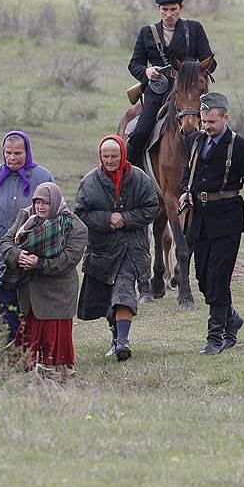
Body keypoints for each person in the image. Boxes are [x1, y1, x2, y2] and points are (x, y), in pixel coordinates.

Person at [178, 92, 244, 355]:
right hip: (200, 220)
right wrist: (186, 190)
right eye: (203, 121)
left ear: (225, 118)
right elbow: (188, 171)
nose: (206, 126)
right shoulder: (194, 140)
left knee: (218, 279)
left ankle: (215, 337)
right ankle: (232, 318)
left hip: (227, 220)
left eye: (212, 122)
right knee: (203, 279)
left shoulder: (242, 147)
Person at [75, 136, 159, 361]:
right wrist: (106, 219)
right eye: (106, 156)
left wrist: (125, 218)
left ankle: (123, 340)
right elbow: (81, 213)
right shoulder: (90, 181)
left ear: (123, 155)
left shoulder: (140, 178)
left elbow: (152, 208)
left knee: (123, 291)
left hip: (132, 249)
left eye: (114, 156)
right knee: (106, 296)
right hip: (102, 250)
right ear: (100, 157)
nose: (110, 160)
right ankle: (116, 337)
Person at [0, 182, 86, 379]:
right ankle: (30, 375)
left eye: (45, 202)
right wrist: (17, 255)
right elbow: (6, 241)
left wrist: (39, 264)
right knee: (29, 340)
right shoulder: (26, 217)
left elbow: (69, 259)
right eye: (37, 201)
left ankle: (55, 375)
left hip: (58, 297)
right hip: (29, 294)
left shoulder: (74, 226)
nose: (40, 207)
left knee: (53, 341)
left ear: (54, 202)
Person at [0, 130, 55, 343]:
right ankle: (10, 356)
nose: (12, 158)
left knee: (28, 313)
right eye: (8, 153)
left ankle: (30, 354)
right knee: (4, 314)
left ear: (27, 152)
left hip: (30, 258)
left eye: (17, 153)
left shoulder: (42, 177)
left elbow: (55, 214)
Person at [127, 0, 216, 166]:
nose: (169, 14)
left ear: (180, 8)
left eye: (173, 9)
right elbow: (134, 64)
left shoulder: (195, 29)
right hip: (158, 91)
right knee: (141, 132)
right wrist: (146, 72)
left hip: (189, 91)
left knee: (217, 128)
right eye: (165, 10)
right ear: (159, 10)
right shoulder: (147, 32)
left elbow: (211, 64)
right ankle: (129, 172)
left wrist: (192, 69)